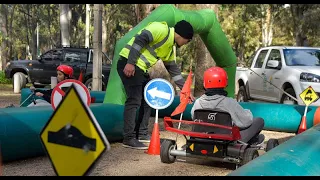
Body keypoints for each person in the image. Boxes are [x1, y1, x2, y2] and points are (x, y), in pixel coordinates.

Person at [118, 20, 195, 149]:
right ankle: (128, 138)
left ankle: (141, 133)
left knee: (148, 99)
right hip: (128, 63)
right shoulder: (161, 29)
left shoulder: (170, 48)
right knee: (134, 100)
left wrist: (185, 90)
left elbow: (174, 71)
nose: (185, 44)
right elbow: (139, 40)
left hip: (140, 69)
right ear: (182, 36)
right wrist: (130, 63)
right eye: (187, 41)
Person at [190, 66, 265, 145]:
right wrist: (248, 112)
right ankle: (251, 142)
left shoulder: (198, 102)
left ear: (205, 83)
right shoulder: (229, 102)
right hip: (226, 141)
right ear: (225, 83)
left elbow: (194, 117)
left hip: (202, 137)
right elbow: (245, 122)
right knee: (259, 121)